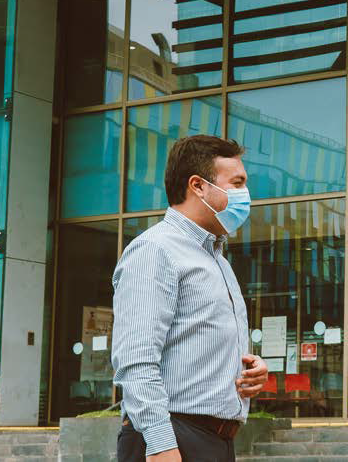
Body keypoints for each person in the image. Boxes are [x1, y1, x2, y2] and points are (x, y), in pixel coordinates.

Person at [112, 135, 268, 462]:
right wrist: (160, 444)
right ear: (198, 186)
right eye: (237, 183)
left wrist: (248, 369)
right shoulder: (156, 250)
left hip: (214, 440)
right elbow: (136, 360)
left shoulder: (217, 260)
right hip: (172, 437)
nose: (245, 194)